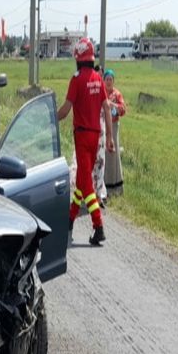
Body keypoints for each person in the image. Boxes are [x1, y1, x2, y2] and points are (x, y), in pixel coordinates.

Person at [57, 38, 114, 245]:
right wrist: (109, 138)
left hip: (82, 137)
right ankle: (70, 220)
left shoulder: (76, 79)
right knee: (82, 181)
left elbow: (66, 108)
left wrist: (51, 118)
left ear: (78, 58)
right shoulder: (98, 79)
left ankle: (98, 226)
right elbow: (107, 108)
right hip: (96, 137)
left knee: (86, 185)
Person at [103, 69, 127, 197]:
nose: (108, 82)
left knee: (114, 153)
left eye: (110, 79)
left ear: (113, 81)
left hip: (113, 126)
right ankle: (104, 185)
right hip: (102, 126)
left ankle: (116, 186)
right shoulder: (101, 93)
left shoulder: (117, 94)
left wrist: (113, 106)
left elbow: (123, 109)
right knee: (104, 155)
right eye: (106, 79)